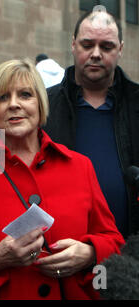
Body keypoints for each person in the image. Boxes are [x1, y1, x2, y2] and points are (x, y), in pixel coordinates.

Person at [0, 58, 124, 300]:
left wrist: (89, 253)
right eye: (3, 97)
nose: (14, 105)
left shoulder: (80, 166)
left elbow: (114, 242)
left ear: (40, 103)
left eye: (25, 95)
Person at [43, 6, 139, 239]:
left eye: (106, 47)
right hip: (60, 250)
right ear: (73, 45)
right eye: (87, 45)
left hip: (129, 252)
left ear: (121, 50)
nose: (96, 54)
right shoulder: (42, 105)